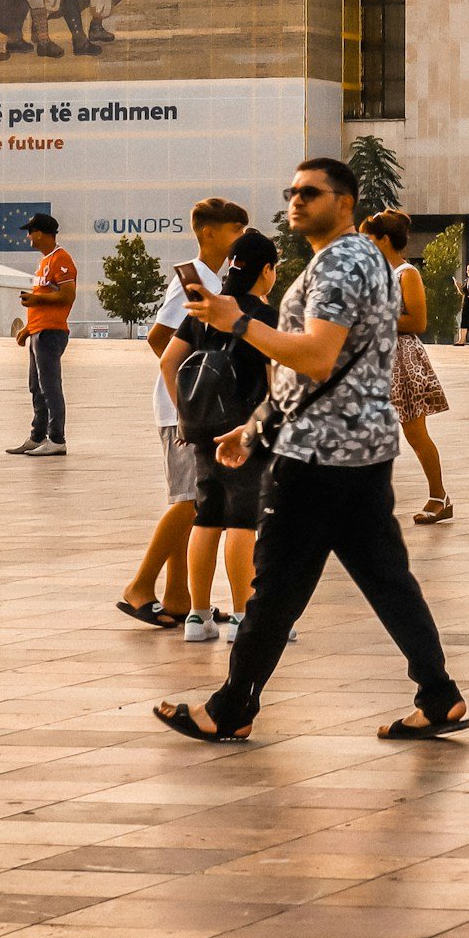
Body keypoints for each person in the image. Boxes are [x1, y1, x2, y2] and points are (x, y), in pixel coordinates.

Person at [152, 156, 466, 744]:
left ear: (345, 203)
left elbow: (317, 357)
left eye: (312, 193)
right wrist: (253, 430)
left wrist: (236, 321)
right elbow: (324, 370)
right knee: (387, 579)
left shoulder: (343, 261)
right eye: (293, 191)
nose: (297, 201)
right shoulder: (352, 260)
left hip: (321, 455)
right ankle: (439, 694)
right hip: (356, 449)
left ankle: (230, 708)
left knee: (274, 588)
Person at [118, 198, 250, 629]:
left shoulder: (216, 280)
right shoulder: (191, 281)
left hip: (194, 408)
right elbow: (161, 340)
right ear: (209, 233)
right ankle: (139, 586)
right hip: (185, 409)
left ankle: (178, 597)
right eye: (235, 231)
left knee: (191, 500)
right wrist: (192, 397)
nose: (240, 241)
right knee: (191, 500)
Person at [159, 228, 281, 644]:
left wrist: (186, 415)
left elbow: (168, 363)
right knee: (243, 520)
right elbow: (276, 381)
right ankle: (243, 616)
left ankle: (197, 617)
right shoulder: (262, 317)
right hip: (244, 431)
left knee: (207, 516)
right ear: (266, 271)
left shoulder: (205, 310)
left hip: (203, 430)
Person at [358, 210, 455, 525]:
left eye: (369, 239)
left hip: (401, 360)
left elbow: (419, 321)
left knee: (415, 433)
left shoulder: (406, 273)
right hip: (373, 359)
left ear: (384, 240)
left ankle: (439, 496)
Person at [10, 214, 76, 456]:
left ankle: (57, 439)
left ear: (40, 233)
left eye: (30, 232)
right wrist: (28, 329)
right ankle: (37, 436)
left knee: (50, 387)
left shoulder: (61, 259)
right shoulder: (44, 261)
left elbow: (68, 295)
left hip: (51, 333)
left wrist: (37, 299)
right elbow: (46, 302)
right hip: (39, 331)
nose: (28, 236)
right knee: (36, 387)